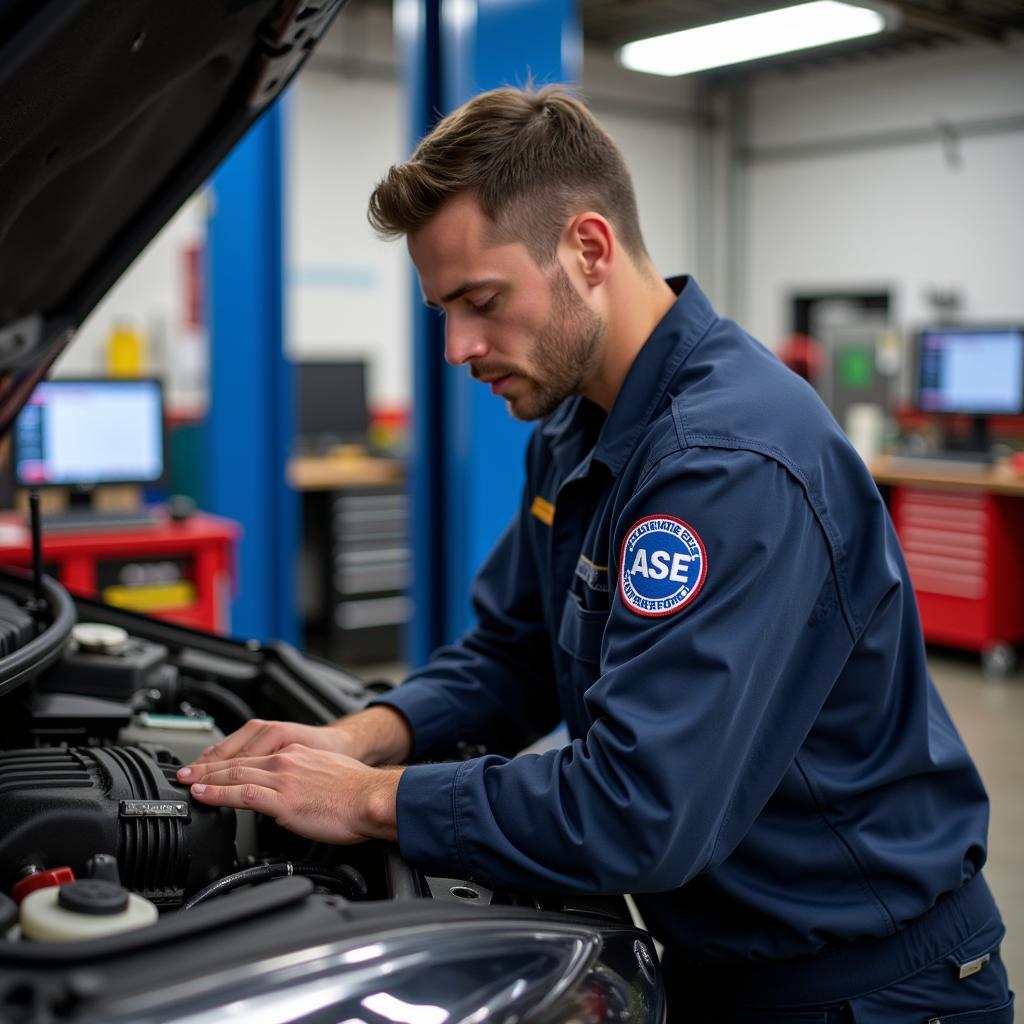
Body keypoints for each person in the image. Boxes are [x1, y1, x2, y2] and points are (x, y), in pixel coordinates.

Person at [178, 85, 1013, 1022]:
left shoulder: (726, 466)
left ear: (587, 248)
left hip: (865, 990)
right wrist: (358, 736)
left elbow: (635, 807)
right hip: (722, 959)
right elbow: (515, 652)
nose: (458, 347)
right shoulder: (581, 425)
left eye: (480, 301)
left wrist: (375, 800)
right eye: (442, 311)